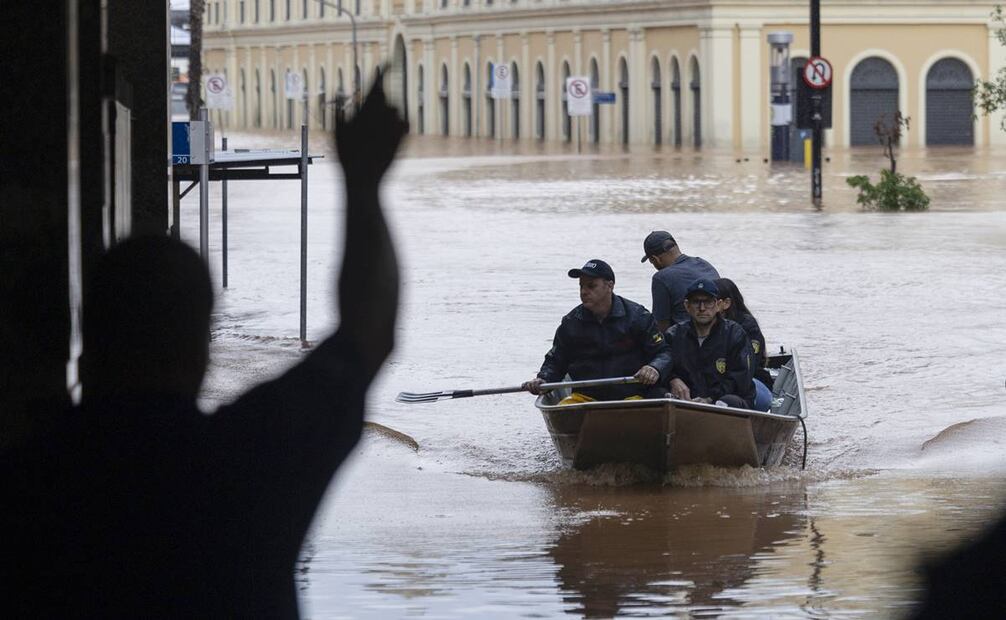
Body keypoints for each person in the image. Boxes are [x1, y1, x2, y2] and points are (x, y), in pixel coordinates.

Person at [1, 77, 407, 617]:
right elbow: (369, 330)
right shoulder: (252, 458)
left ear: (87, 346)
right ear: (199, 351)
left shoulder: (25, 482)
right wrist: (364, 181)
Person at [523, 259, 671, 403]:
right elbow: (555, 361)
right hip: (585, 397)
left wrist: (654, 367)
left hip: (632, 396)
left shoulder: (638, 317)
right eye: (581, 286)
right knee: (565, 410)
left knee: (650, 403)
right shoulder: (571, 322)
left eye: (591, 286)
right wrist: (543, 379)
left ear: (610, 286)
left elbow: (663, 352)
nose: (584, 292)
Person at [665, 279, 756, 409]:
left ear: (718, 305)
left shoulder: (735, 334)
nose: (702, 308)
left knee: (728, 401)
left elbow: (740, 379)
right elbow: (663, 364)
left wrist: (710, 399)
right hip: (686, 402)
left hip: (725, 401)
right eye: (696, 302)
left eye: (708, 302)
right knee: (659, 395)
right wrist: (672, 379)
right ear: (687, 306)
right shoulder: (673, 335)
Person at [641, 230, 720, 331]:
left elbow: (661, 325)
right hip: (718, 331)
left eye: (651, 262)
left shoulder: (661, 277)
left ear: (655, 259)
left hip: (686, 337)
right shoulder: (704, 264)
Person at [714, 277, 773, 411]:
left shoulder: (747, 325)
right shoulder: (702, 328)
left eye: (710, 301)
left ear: (726, 303)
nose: (703, 307)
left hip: (753, 381)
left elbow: (749, 365)